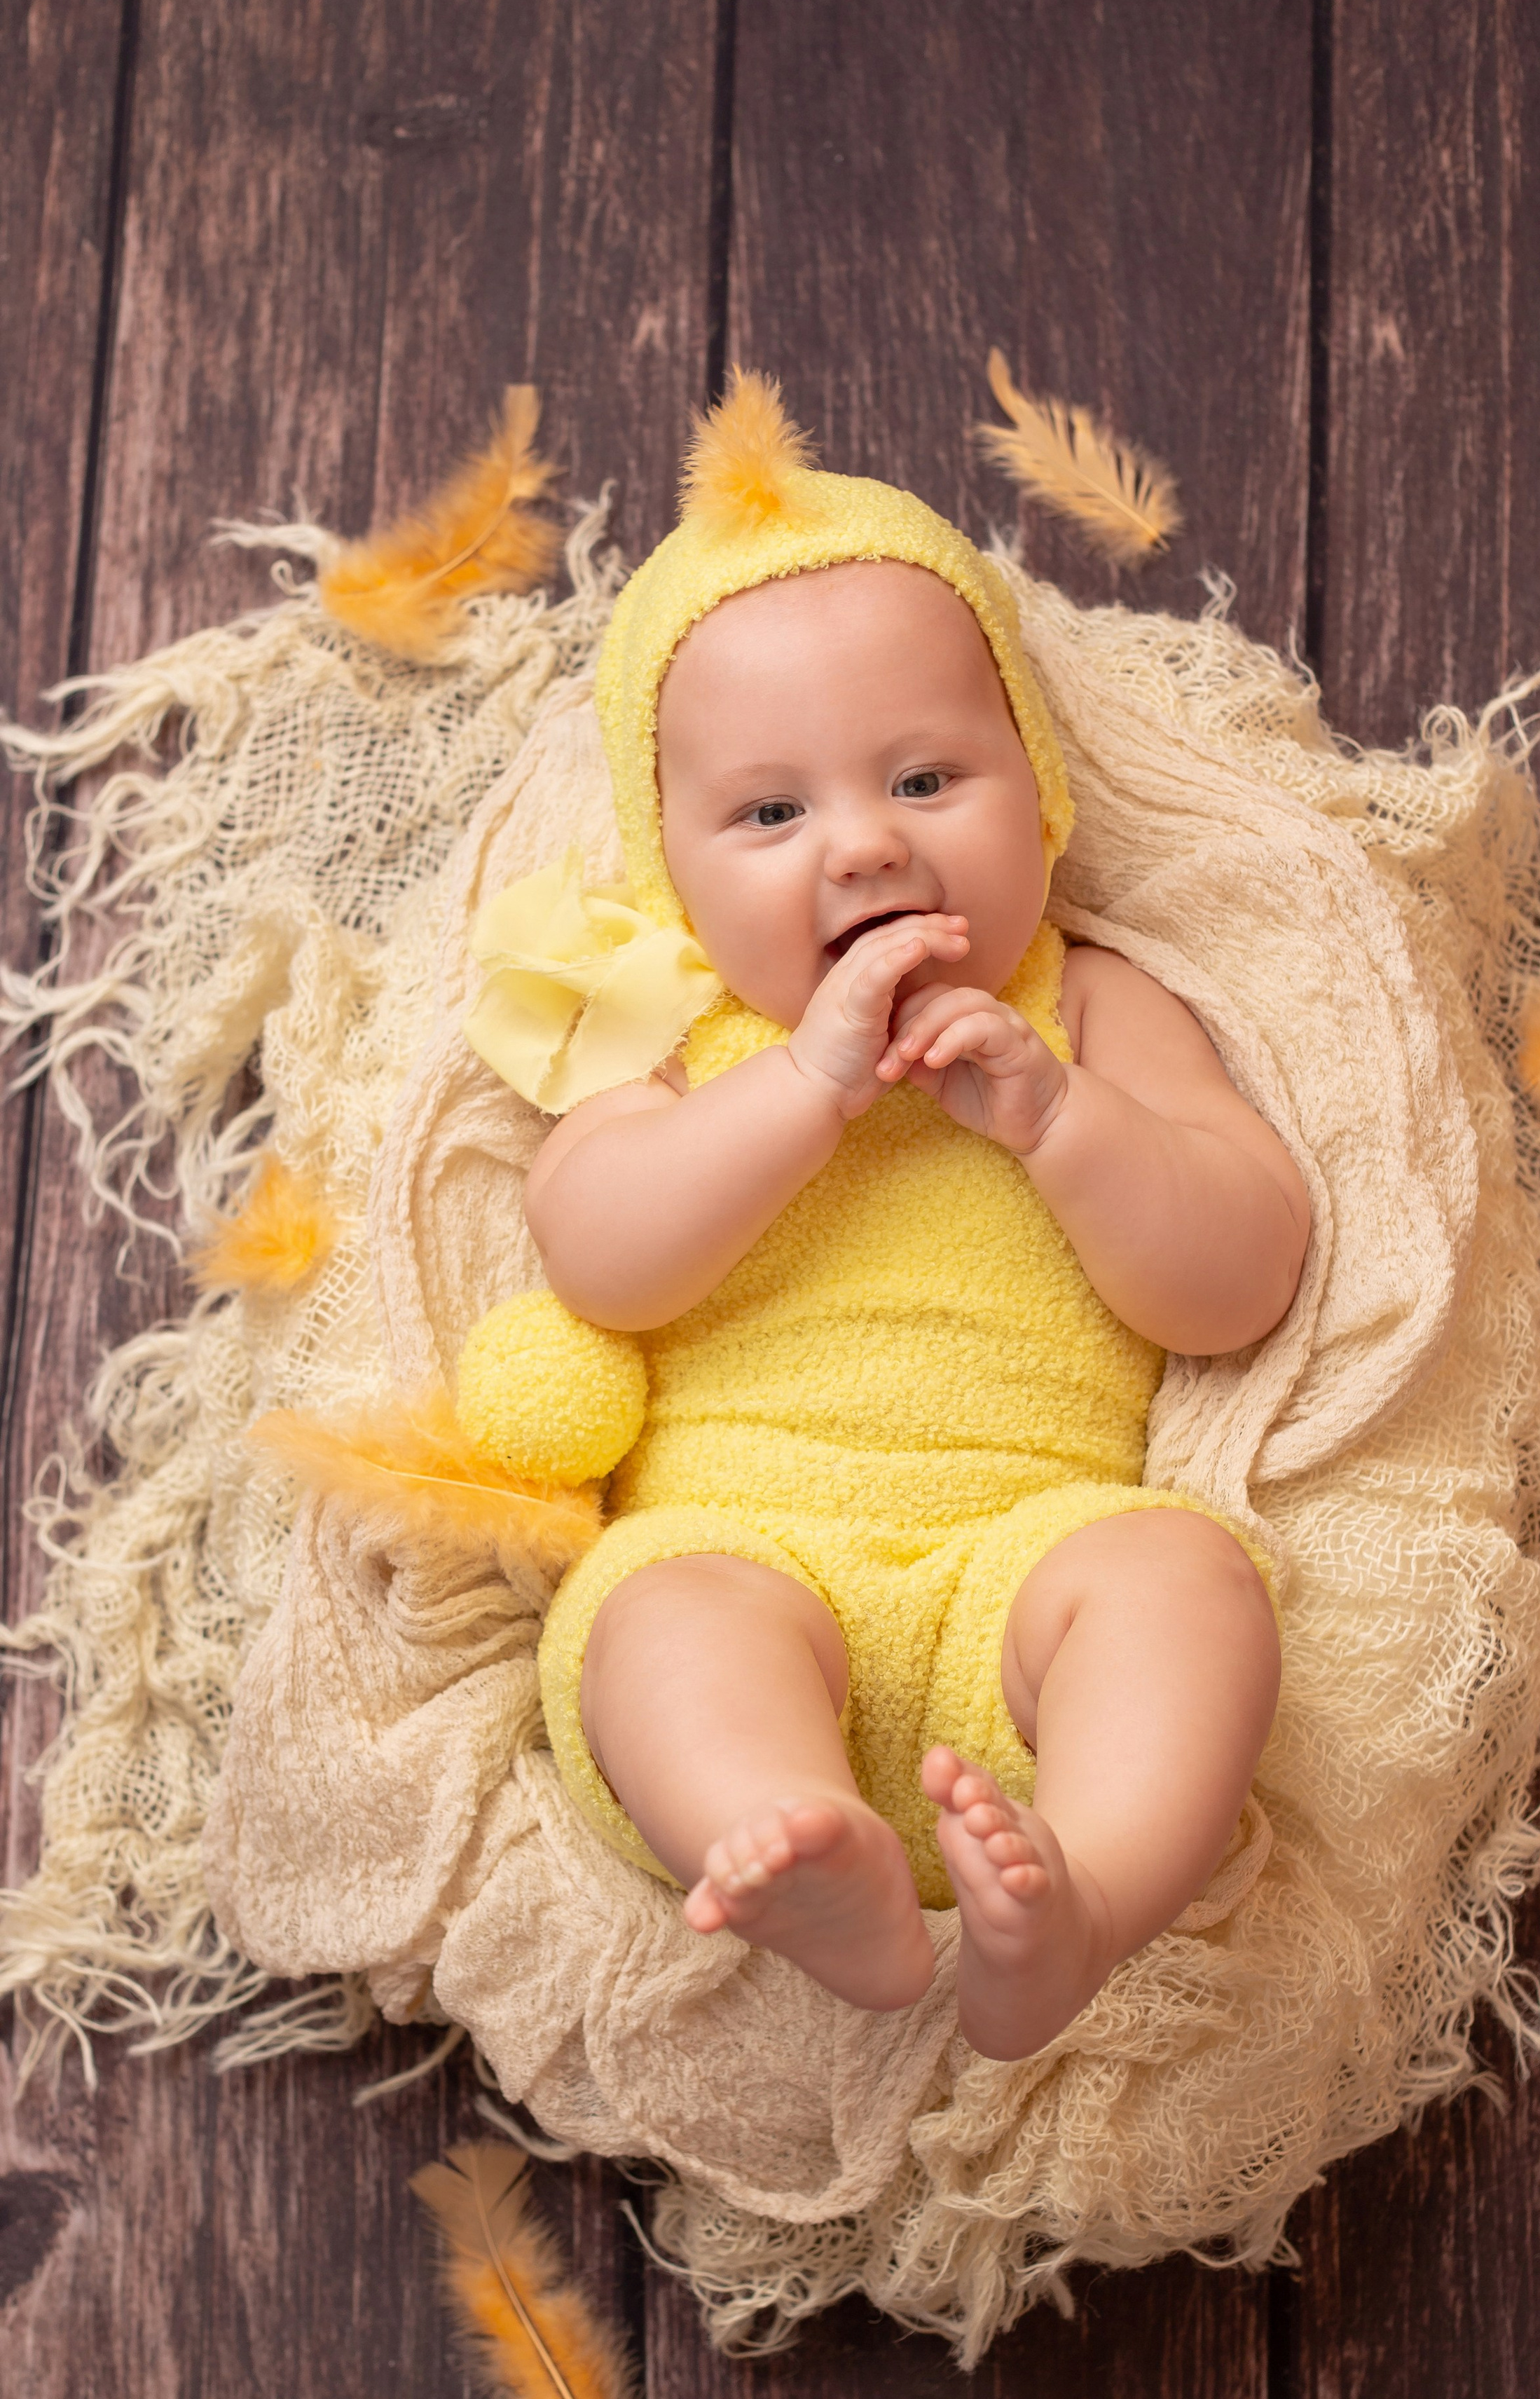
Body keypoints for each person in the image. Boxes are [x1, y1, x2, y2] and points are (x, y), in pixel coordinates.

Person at [515, 375, 1307, 2060]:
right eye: (771, 812)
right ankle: (802, 1847)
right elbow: (599, 1251)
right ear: (668, 876)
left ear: (1043, 796)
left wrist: (1063, 1124)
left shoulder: (1088, 1009)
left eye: (929, 777)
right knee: (656, 1624)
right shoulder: (672, 1042)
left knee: (1183, 1581)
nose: (862, 848)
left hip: (1027, 1588)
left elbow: (1237, 1277)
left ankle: (1080, 1896)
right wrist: (796, 1093)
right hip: (752, 1566)